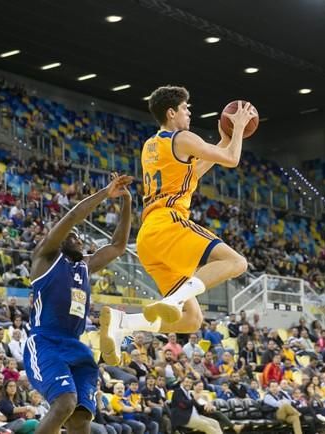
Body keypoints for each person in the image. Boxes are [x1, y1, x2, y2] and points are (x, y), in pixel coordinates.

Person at [101, 87, 256, 364]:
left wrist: (223, 141)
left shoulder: (151, 145)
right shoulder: (183, 137)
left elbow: (191, 174)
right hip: (168, 222)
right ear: (171, 113)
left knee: (192, 320)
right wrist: (240, 128)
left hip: (149, 237)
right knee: (237, 263)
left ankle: (124, 322)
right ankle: (172, 301)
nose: (189, 112)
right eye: (186, 108)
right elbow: (232, 160)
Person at [23, 173, 133, 434]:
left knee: (82, 417)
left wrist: (127, 201)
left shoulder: (84, 266)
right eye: (72, 236)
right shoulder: (45, 259)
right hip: (46, 343)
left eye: (81, 238)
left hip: (76, 345)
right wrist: (106, 193)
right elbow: (72, 217)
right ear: (58, 241)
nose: (78, 238)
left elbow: (118, 246)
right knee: (64, 404)